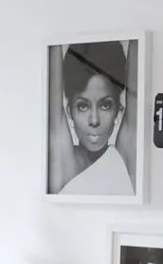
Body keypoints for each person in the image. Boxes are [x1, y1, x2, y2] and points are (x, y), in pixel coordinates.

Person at [56, 40, 133, 196]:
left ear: (119, 109)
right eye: (83, 106)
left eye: (105, 105)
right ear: (69, 111)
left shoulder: (126, 156)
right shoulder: (62, 163)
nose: (94, 120)